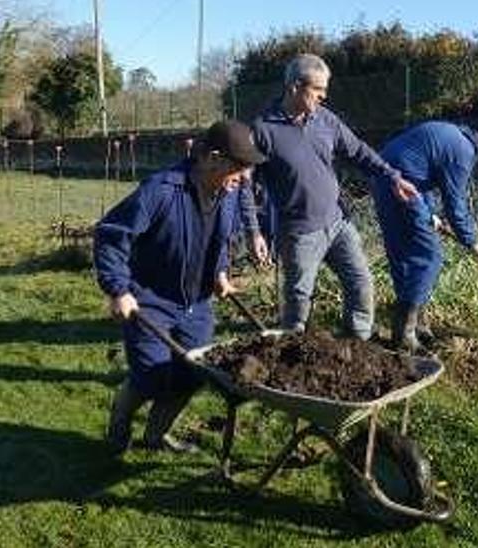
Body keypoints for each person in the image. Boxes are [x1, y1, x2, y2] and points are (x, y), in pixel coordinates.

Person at [95, 120, 266, 455]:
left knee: (193, 374)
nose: (245, 176)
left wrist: (218, 273)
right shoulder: (162, 190)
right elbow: (111, 233)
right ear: (213, 158)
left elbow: (217, 239)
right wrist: (118, 289)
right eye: (240, 167)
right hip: (150, 300)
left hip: (196, 304)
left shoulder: (227, 193)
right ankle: (119, 424)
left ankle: (156, 436)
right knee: (151, 378)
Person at [242, 53, 419, 340]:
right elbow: (245, 186)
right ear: (295, 87)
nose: (324, 96)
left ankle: (357, 344)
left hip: (337, 223)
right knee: (298, 302)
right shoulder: (263, 129)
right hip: (299, 232)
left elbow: (358, 151)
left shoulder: (325, 120)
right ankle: (290, 357)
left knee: (361, 283)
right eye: (318, 89)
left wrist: (392, 175)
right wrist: (254, 232)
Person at [372, 122, 478, 351]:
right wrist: (472, 242)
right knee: (430, 257)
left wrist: (429, 213)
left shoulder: (456, 139)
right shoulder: (462, 152)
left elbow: (422, 170)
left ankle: (415, 324)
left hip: (391, 179)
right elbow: (455, 204)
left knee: (406, 255)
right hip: (398, 185)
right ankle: (404, 335)